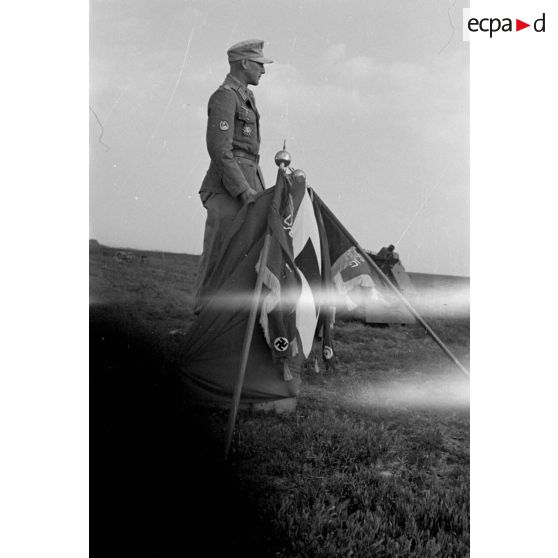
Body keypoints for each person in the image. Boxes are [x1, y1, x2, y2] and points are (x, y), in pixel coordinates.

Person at [193, 39, 273, 312]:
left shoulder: (245, 97)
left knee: (241, 256)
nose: (263, 71)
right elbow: (219, 149)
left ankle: (225, 325)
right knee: (218, 255)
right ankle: (200, 322)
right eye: (260, 65)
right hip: (229, 188)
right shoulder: (226, 96)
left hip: (248, 181)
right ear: (245, 63)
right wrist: (242, 189)